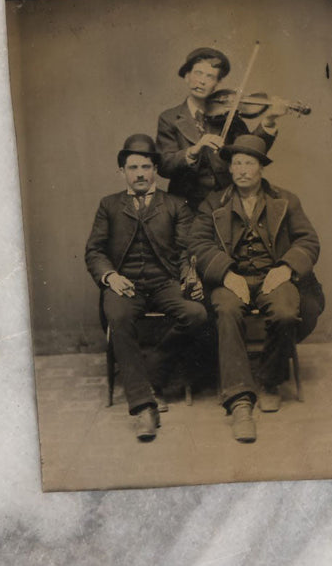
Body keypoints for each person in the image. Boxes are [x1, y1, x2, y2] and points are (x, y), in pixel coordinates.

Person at [188, 135, 324, 443]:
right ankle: (239, 400)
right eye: (236, 163)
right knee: (225, 311)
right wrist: (225, 273)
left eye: (249, 163)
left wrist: (286, 268)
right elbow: (197, 243)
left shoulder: (286, 200)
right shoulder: (214, 202)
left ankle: (270, 380)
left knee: (287, 312)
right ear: (231, 168)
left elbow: (308, 240)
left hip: (272, 275)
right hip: (231, 278)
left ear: (261, 167)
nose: (242, 170)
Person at [85, 134, 207, 441]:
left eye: (146, 167)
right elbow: (94, 251)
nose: (140, 173)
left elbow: (186, 250)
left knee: (196, 314)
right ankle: (143, 407)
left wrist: (189, 275)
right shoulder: (109, 205)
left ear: (155, 170)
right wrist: (110, 276)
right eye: (133, 167)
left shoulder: (176, 205)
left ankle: (151, 370)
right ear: (122, 171)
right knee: (119, 316)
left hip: (165, 282)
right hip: (125, 284)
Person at [156, 47, 282, 211]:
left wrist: (269, 120)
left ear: (217, 84)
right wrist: (194, 151)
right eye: (198, 73)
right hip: (185, 205)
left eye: (209, 76)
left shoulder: (229, 115)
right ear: (187, 76)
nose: (201, 81)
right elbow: (164, 165)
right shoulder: (169, 118)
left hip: (226, 202)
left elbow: (251, 149)